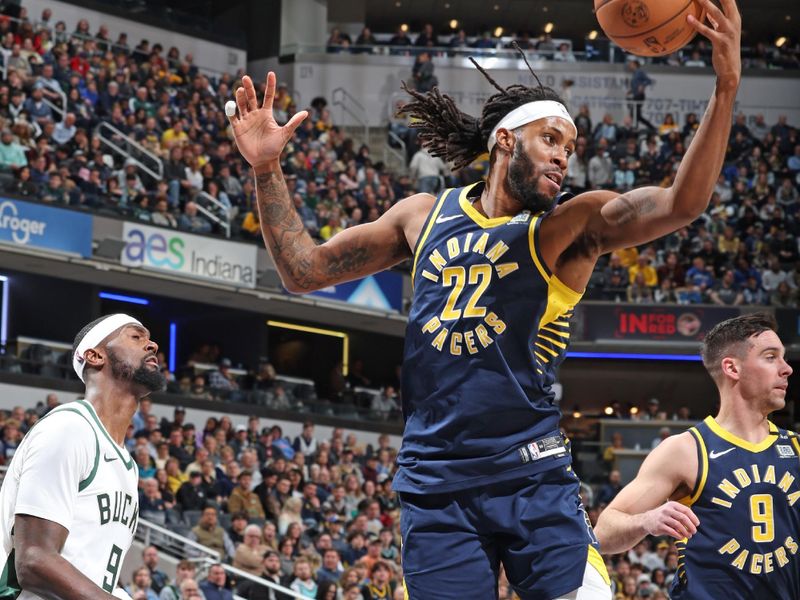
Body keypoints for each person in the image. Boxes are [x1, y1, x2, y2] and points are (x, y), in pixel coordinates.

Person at [227, 2, 741, 596]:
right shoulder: (423, 216)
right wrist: (266, 168)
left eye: (570, 148)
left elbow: (681, 203)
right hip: (435, 483)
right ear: (504, 140)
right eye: (550, 139)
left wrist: (726, 85)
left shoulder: (566, 227)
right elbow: (303, 271)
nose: (562, 157)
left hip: (534, 477)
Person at [594, 313, 799, 599]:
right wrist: (647, 521)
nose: (786, 368)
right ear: (732, 368)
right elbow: (603, 533)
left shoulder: (796, 448)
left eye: (784, 358)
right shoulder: (685, 450)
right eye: (770, 357)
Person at [0, 314, 165, 598]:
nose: (153, 345)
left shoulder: (128, 468)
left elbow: (91, 570)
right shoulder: (69, 427)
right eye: (136, 337)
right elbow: (34, 560)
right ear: (95, 355)